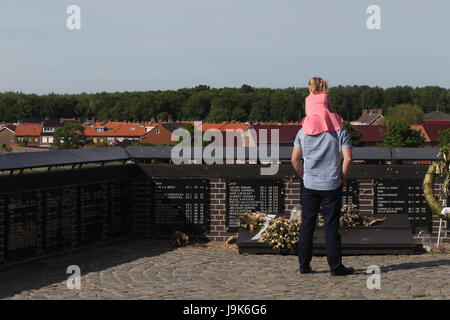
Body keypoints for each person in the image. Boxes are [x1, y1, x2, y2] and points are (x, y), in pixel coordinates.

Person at [291, 77, 354, 276]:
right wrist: (342, 177)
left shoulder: (303, 132)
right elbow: (348, 158)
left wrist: (304, 176)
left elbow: (294, 159)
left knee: (307, 226)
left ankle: (304, 265)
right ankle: (335, 267)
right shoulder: (339, 130)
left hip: (310, 184)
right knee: (331, 227)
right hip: (332, 184)